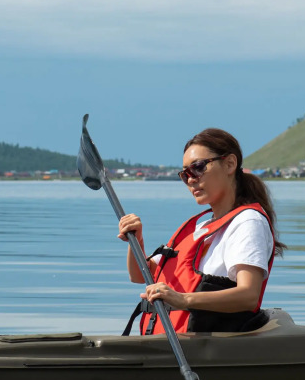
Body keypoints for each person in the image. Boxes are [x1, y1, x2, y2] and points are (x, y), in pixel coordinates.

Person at [117, 128, 285, 335]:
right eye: (184, 174)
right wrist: (136, 241)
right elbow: (139, 275)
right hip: (172, 344)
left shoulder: (247, 222)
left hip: (212, 349)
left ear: (230, 164)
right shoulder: (201, 226)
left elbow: (248, 296)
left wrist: (183, 299)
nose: (190, 179)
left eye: (198, 168)